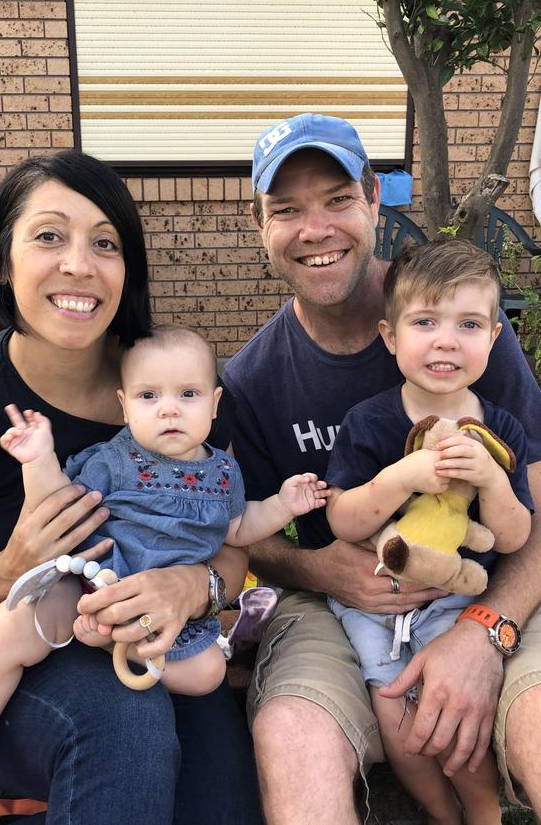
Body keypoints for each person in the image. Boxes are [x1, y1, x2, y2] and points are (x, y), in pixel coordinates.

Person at [0, 151, 263, 825]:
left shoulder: (172, 387)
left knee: (223, 810)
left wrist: (196, 586)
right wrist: (9, 567)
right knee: (124, 723)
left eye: (105, 243)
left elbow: (229, 543)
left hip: (150, 631)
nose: (79, 264)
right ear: (3, 261)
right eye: (49, 236)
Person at [223, 112, 541, 824]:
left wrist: (487, 629)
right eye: (287, 209)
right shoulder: (252, 380)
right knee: (292, 732)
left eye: (337, 199)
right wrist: (321, 568)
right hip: (336, 607)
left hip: (487, 585)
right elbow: (247, 538)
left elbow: (538, 513)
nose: (316, 228)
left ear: (373, 199)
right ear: (260, 225)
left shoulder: (455, 325)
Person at [0, 324, 327, 771]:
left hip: (159, 609)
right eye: (148, 397)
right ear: (124, 406)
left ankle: (109, 644)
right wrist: (38, 459)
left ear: (215, 403)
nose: (168, 411)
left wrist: (282, 505)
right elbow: (58, 503)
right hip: (90, 581)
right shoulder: (113, 461)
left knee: (208, 673)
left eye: (188, 395)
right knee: (14, 623)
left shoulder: (223, 473)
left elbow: (238, 528)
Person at [324, 240, 532, 825]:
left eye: (468, 323)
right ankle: (441, 813)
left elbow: (515, 537)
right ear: (391, 337)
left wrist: (492, 481)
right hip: (373, 605)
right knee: (400, 724)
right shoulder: (369, 421)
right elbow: (343, 520)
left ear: (494, 338)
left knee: (458, 720)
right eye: (425, 321)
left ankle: (485, 811)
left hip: (458, 599)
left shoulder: (502, 427)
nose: (445, 340)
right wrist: (397, 478)